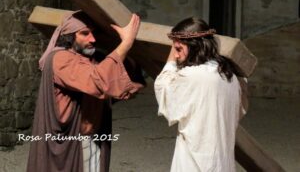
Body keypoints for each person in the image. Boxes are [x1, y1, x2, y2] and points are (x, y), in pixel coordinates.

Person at [27, 11, 143, 172]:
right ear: (69, 35)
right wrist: (126, 43)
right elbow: (96, 81)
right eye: (85, 33)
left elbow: (124, 85)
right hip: (72, 140)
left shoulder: (93, 58)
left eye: (94, 33)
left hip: (92, 136)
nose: (92, 39)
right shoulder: (60, 59)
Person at [154, 17, 248, 172]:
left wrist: (171, 59)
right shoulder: (230, 77)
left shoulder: (192, 77)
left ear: (195, 47)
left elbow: (163, 87)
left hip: (195, 163)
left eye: (179, 49)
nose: (177, 55)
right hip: (222, 163)